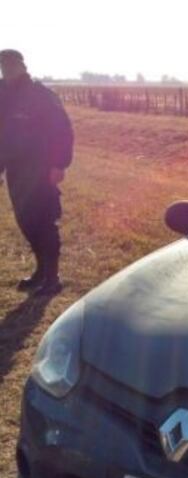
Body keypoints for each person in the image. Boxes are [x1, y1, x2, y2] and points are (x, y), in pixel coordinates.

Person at [0, 49, 74, 295]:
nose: (8, 69)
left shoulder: (41, 95)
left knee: (44, 221)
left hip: (41, 168)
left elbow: (62, 130)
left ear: (23, 65)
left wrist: (59, 164)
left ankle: (52, 279)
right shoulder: (2, 94)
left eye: (12, 64)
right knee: (26, 222)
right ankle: (41, 271)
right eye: (3, 64)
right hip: (15, 171)